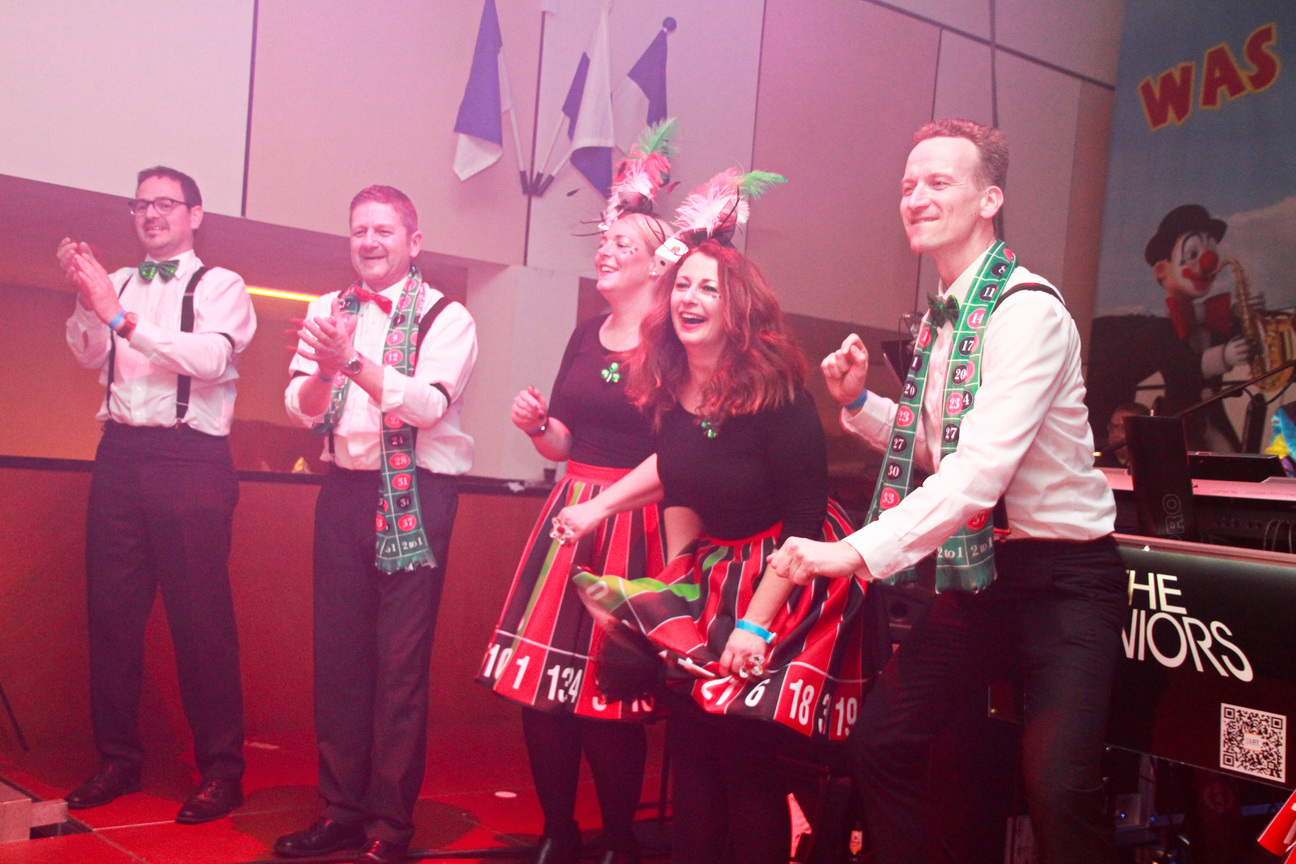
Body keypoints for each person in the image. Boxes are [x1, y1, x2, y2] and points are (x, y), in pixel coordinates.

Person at [769, 119, 1127, 864]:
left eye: (938, 182)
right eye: (908, 185)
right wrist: (862, 404)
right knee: (881, 741)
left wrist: (853, 553)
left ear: (990, 199)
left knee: (1058, 787)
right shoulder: (945, 319)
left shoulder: (1026, 311)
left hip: (1063, 580)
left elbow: (978, 472)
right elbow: (941, 449)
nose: (916, 197)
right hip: (985, 575)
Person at [555, 169, 865, 864]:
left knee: (742, 753)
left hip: (787, 573)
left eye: (709, 289)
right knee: (694, 745)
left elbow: (803, 524)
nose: (689, 298)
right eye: (683, 286)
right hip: (718, 568)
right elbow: (679, 481)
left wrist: (754, 624)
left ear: (739, 309)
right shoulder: (670, 387)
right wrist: (669, 581)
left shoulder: (779, 394)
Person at [478, 126, 675, 864]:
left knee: (609, 697)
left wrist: (610, 501)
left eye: (621, 244)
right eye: (603, 242)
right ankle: (558, 832)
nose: (605, 251)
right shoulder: (587, 333)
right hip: (567, 516)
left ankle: (618, 841)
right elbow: (564, 444)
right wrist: (539, 426)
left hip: (633, 523)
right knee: (542, 690)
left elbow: (680, 452)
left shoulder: (674, 342)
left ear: (658, 264)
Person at [277, 185, 478, 864]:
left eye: (384, 230)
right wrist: (323, 371)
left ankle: (390, 826)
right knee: (338, 659)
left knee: (399, 666)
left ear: (413, 242)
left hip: (415, 494)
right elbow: (301, 405)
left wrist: (351, 362)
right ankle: (340, 811)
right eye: (359, 229)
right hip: (342, 491)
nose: (369, 241)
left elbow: (427, 406)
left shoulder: (449, 317)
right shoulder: (326, 309)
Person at [59, 166, 255, 823]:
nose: (151, 214)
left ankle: (222, 771)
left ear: (195, 215)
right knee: (111, 618)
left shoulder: (221, 285)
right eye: (141, 204)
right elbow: (89, 354)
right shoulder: (115, 280)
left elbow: (211, 360)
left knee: (200, 623)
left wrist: (120, 316)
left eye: (166, 203)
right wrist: (88, 301)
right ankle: (117, 759)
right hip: (119, 455)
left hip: (189, 460)